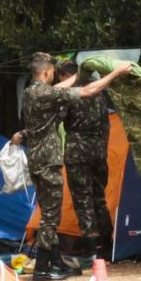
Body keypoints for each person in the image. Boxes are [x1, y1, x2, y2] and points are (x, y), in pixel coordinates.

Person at [10, 53, 131, 281]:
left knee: (56, 210)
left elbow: (64, 88)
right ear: (46, 72)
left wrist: (77, 76)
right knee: (52, 217)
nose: (56, 77)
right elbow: (87, 91)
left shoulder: (31, 91)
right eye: (53, 73)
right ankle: (45, 267)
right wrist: (115, 73)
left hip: (41, 158)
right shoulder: (49, 94)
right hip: (51, 160)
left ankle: (56, 260)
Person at [56, 59, 113, 258]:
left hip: (77, 151)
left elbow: (57, 120)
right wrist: (103, 149)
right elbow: (107, 125)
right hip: (98, 150)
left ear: (65, 76)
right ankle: (107, 243)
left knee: (83, 200)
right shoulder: (98, 94)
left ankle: (91, 245)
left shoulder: (71, 95)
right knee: (99, 198)